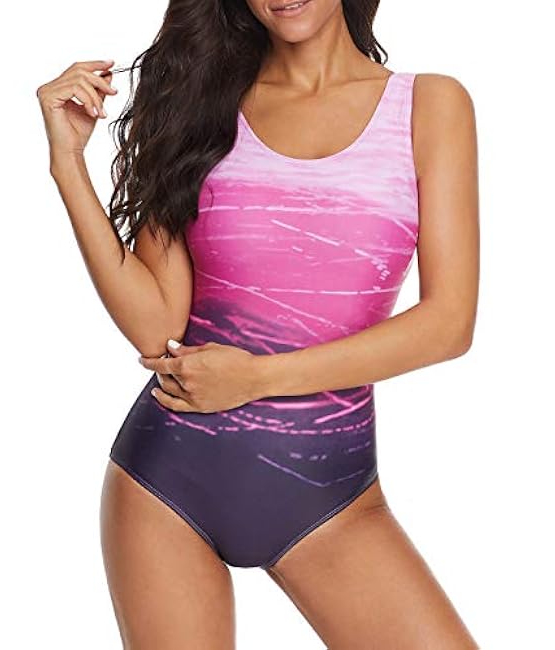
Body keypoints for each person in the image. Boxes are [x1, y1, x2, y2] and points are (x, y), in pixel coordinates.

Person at [36, 0, 480, 647]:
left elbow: (449, 323)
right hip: (168, 483)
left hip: (332, 499)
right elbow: (156, 326)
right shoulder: (202, 104)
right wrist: (68, 164)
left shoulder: (430, 106)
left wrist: (259, 378)